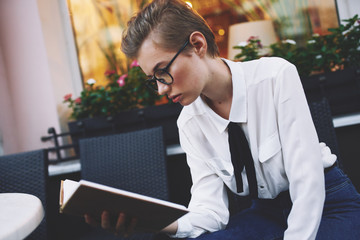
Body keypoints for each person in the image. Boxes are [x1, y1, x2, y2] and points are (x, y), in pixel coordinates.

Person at [85, 0, 360, 239]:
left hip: (327, 201)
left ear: (197, 44)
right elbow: (210, 212)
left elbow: (307, 181)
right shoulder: (190, 123)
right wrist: (151, 222)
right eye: (152, 79)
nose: (161, 88)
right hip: (266, 212)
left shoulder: (275, 77)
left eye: (162, 71)